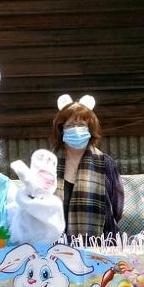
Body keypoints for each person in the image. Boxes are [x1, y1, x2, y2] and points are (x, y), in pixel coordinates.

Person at [51, 94, 123, 241]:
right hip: (54, 248)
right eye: (70, 126)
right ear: (61, 130)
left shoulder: (106, 163)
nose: (76, 130)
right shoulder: (48, 163)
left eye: (81, 125)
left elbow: (117, 208)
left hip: (101, 247)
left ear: (90, 130)